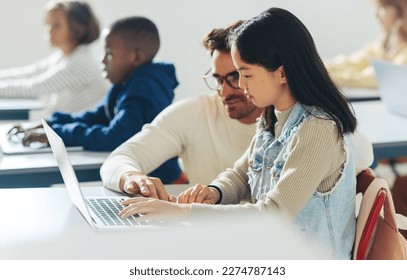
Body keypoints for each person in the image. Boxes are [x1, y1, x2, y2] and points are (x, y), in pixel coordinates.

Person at [117, 8, 369, 259]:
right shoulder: (271, 115)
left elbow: (274, 213)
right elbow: (242, 175)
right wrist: (213, 192)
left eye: (246, 74)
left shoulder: (318, 129)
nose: (241, 84)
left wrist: (184, 213)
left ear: (282, 72)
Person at [8, 16, 183, 184]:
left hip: (164, 185)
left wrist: (60, 134)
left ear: (136, 58)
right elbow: (98, 116)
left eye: (109, 54)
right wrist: (52, 125)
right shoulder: (125, 83)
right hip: (139, 181)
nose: (102, 60)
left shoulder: (145, 89)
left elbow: (115, 137)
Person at [100, 21, 264, 197]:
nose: (224, 91)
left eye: (235, 76)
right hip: (204, 222)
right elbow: (118, 159)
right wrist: (131, 177)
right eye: (217, 79)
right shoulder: (195, 112)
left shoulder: (287, 121)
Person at [0, 0, 109, 118]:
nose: (49, 30)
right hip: (63, 128)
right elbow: (28, 73)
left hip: (79, 132)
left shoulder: (81, 62)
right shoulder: (60, 57)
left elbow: (34, 87)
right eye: (48, 23)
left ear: (77, 28)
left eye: (56, 25)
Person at [326, 0, 407, 89]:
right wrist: (322, 68)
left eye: (381, 8)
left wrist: (333, 78)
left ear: (402, 10)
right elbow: (354, 62)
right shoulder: (383, 44)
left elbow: (385, 78)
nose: (375, 14)